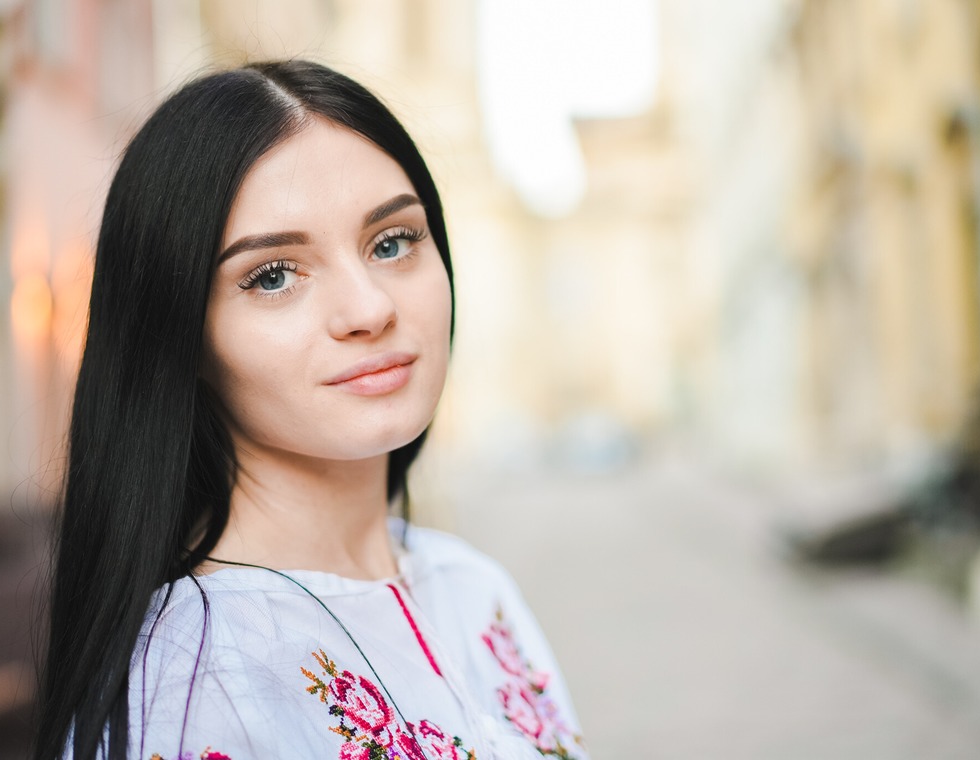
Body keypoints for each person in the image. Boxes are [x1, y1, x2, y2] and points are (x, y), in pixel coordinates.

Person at [33, 60, 586, 760]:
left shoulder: (474, 589)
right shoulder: (195, 677)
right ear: (181, 337)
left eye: (392, 242)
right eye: (272, 276)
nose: (369, 308)